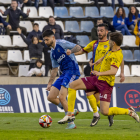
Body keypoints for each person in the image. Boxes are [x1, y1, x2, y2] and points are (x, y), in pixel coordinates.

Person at [58, 32, 139, 127]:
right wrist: (98, 61)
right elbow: (106, 56)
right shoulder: (111, 49)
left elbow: (113, 71)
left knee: (105, 111)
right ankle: (70, 114)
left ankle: (129, 111)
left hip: (106, 84)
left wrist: (100, 72)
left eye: (110, 40)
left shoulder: (117, 55)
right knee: (72, 85)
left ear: (113, 42)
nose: (108, 41)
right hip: (97, 79)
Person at [42, 30, 82, 129]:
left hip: (72, 71)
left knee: (62, 97)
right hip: (64, 73)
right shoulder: (52, 53)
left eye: (47, 39)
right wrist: (50, 83)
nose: (45, 42)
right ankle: (71, 110)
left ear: (53, 38)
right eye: (44, 40)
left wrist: (71, 51)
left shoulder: (62, 43)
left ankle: (71, 123)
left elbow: (78, 47)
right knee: (51, 97)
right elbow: (55, 69)